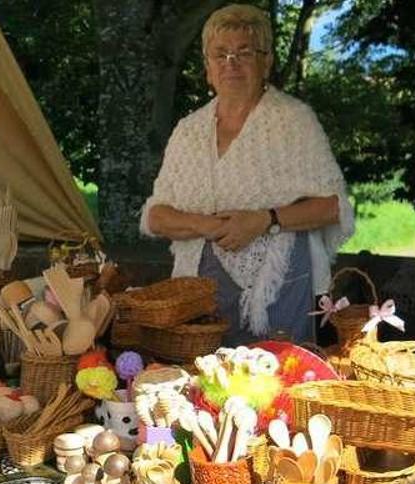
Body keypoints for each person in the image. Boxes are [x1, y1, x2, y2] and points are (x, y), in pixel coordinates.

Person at [140, 4, 354, 346]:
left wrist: (264, 220)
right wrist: (206, 225)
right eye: (220, 54)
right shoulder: (188, 130)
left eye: (244, 52)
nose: (231, 63)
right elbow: (155, 216)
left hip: (280, 283)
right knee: (208, 385)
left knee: (278, 380)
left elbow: (333, 207)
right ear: (207, 68)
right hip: (202, 288)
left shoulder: (294, 120)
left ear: (266, 61)